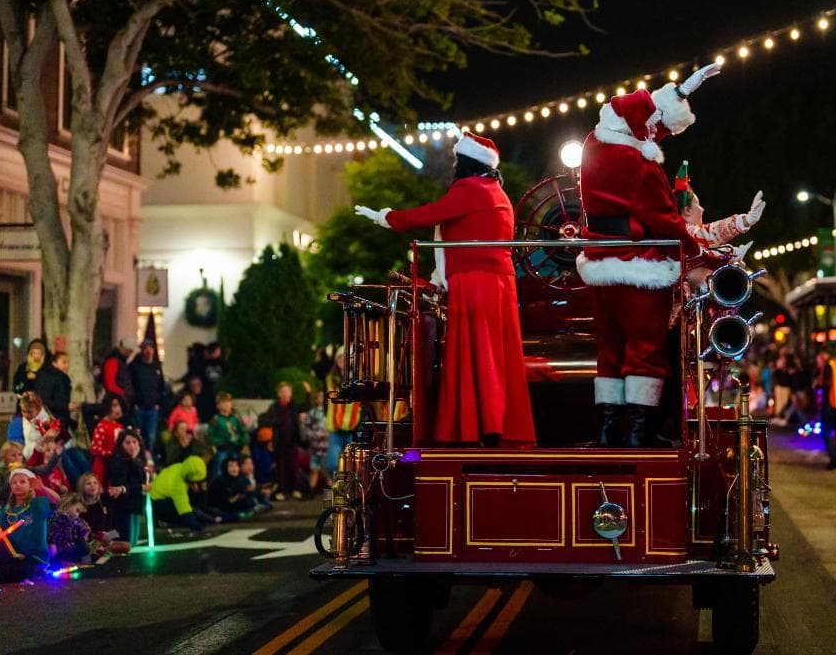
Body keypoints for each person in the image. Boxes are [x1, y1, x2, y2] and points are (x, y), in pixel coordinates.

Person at [356, 131, 537, 447]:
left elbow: (430, 213)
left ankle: (481, 427)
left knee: (477, 354)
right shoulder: (496, 192)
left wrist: (388, 218)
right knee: (496, 355)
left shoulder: (471, 189)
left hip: (475, 281)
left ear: (466, 163)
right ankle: (496, 424)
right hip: (498, 282)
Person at [574, 66, 721, 446]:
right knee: (644, 353)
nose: (659, 136)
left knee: (610, 352)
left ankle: (608, 431)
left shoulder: (592, 146)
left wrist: (677, 93)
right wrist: (697, 257)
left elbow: (644, 115)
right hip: (639, 271)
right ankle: (639, 434)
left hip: (599, 267)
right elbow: (665, 221)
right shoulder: (640, 166)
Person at [0, 468, 52, 581]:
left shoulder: (38, 504)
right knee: (3, 573)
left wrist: (42, 488)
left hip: (34, 556)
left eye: (22, 482)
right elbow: (3, 535)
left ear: (30, 485)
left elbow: (56, 500)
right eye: (14, 482)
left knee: (21, 571)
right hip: (14, 555)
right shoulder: (7, 510)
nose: (18, 485)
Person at [259, 382, 305, 500]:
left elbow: (301, 418)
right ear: (278, 394)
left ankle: (296, 489)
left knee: (294, 466)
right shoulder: (274, 407)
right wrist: (278, 421)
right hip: (279, 442)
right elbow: (264, 420)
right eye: (283, 392)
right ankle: (282, 490)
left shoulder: (294, 406)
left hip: (293, 441)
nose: (285, 394)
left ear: (291, 393)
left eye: (287, 391)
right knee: (281, 468)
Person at [107, 429, 149, 547]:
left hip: (135, 505)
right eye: (128, 443)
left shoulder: (138, 461)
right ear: (121, 445)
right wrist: (140, 487)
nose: (132, 446)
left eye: (134, 442)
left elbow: (141, 481)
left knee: (133, 542)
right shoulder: (118, 461)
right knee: (127, 543)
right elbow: (120, 485)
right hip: (125, 508)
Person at [149, 455, 210, 531]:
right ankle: (163, 520)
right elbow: (185, 512)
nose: (197, 486)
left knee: (193, 511)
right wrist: (199, 527)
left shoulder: (181, 467)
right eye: (197, 483)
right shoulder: (178, 485)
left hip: (156, 498)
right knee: (186, 517)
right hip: (157, 504)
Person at [128, 340, 168, 449]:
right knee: (138, 435)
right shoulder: (134, 366)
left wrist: (158, 402)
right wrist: (134, 403)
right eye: (146, 348)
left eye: (150, 348)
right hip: (139, 407)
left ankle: (149, 456)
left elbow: (161, 386)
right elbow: (130, 385)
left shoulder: (156, 367)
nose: (148, 351)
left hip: (152, 408)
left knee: (151, 436)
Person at [207, 391, 249, 477]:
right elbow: (210, 436)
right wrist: (220, 442)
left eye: (228, 402)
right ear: (218, 406)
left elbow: (244, 431)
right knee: (220, 465)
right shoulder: (216, 419)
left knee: (239, 465)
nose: (226, 404)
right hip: (222, 448)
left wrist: (243, 441)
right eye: (223, 402)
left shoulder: (236, 418)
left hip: (236, 447)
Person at [89, 394, 127, 486]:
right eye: (115, 405)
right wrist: (112, 454)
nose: (118, 409)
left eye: (120, 406)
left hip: (116, 468)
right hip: (103, 467)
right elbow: (95, 449)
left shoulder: (120, 426)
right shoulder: (101, 426)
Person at [35, 350, 77, 431]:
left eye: (68, 363)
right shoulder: (57, 378)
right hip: (55, 421)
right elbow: (46, 400)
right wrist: (66, 406)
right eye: (64, 362)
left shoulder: (44, 376)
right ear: (54, 363)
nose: (67, 365)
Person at [47, 493, 93, 564]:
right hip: (60, 550)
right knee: (85, 547)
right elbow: (52, 536)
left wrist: (85, 531)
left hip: (69, 547)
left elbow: (82, 529)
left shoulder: (73, 519)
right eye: (77, 510)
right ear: (68, 505)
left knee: (87, 548)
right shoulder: (57, 517)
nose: (77, 515)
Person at [303, 388, 330, 495]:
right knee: (314, 468)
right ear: (316, 399)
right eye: (320, 396)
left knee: (329, 470)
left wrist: (329, 435)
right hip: (315, 446)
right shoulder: (313, 412)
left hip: (329, 446)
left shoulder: (331, 411)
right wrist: (316, 435)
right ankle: (311, 491)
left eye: (324, 396)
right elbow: (306, 428)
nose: (322, 398)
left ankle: (332, 492)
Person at [198, 343, 225, 423]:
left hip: (209, 391)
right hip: (210, 391)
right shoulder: (221, 363)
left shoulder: (203, 363)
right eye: (218, 350)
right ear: (215, 351)